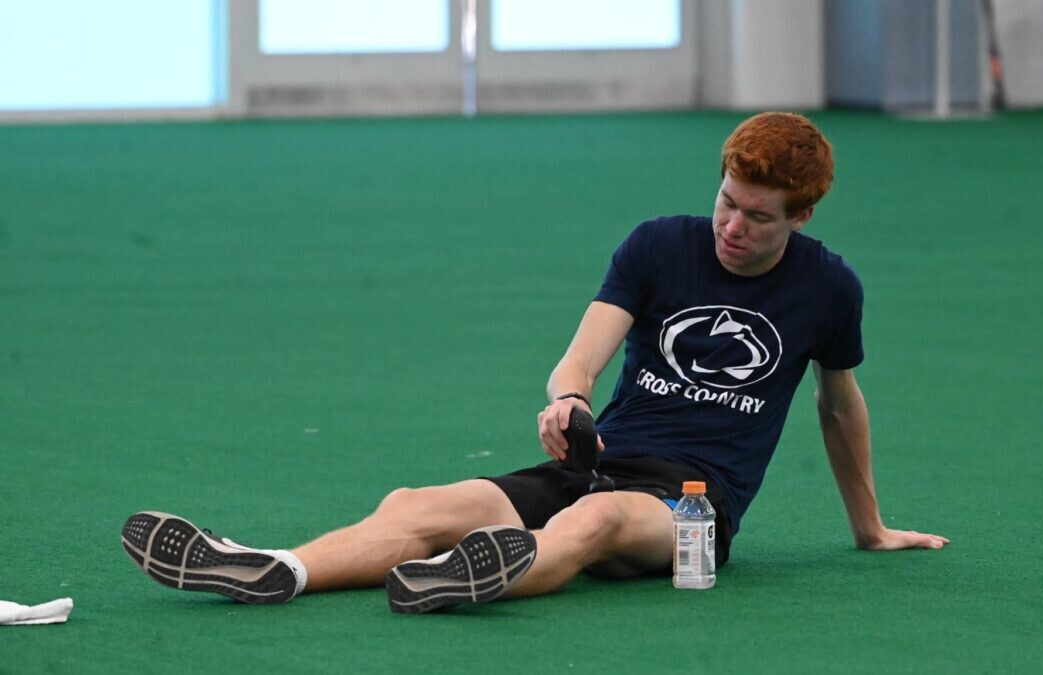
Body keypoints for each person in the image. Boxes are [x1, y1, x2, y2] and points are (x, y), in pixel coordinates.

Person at [121, 112, 948, 613]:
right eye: (726, 201)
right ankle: (280, 567)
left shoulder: (827, 288)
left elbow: (839, 403)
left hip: (693, 502)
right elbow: (580, 358)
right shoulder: (660, 245)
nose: (732, 226)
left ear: (801, 216)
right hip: (598, 458)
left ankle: (461, 572)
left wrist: (869, 527)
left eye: (757, 218)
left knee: (596, 522)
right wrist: (569, 404)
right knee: (421, 501)